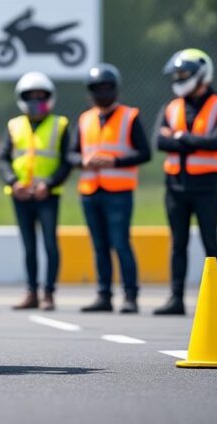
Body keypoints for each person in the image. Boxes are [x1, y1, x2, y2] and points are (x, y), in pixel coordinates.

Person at [153, 49, 217, 316]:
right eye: (177, 74)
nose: (179, 78)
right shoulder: (172, 106)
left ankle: (215, 299)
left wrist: (181, 138)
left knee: (211, 242)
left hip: (205, 187)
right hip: (175, 186)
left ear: (201, 74)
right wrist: (191, 141)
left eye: (184, 74)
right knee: (178, 243)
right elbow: (160, 141)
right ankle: (176, 298)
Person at [70, 64, 150, 314]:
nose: (102, 93)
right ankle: (103, 295)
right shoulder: (85, 119)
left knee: (120, 243)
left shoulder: (130, 116)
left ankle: (130, 296)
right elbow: (71, 154)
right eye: (97, 88)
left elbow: (145, 153)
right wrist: (83, 162)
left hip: (119, 191)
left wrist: (114, 161)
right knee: (99, 245)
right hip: (91, 191)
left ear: (116, 90)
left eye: (106, 88)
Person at [0, 72, 71, 311]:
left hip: (47, 196)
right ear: (22, 98)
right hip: (21, 195)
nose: (36, 100)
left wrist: (48, 184)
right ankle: (31, 292)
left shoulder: (60, 125)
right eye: (31, 96)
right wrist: (12, 182)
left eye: (41, 96)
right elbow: (3, 159)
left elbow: (67, 161)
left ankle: (49, 293)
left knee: (50, 244)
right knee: (29, 247)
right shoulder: (14, 125)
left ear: (50, 98)